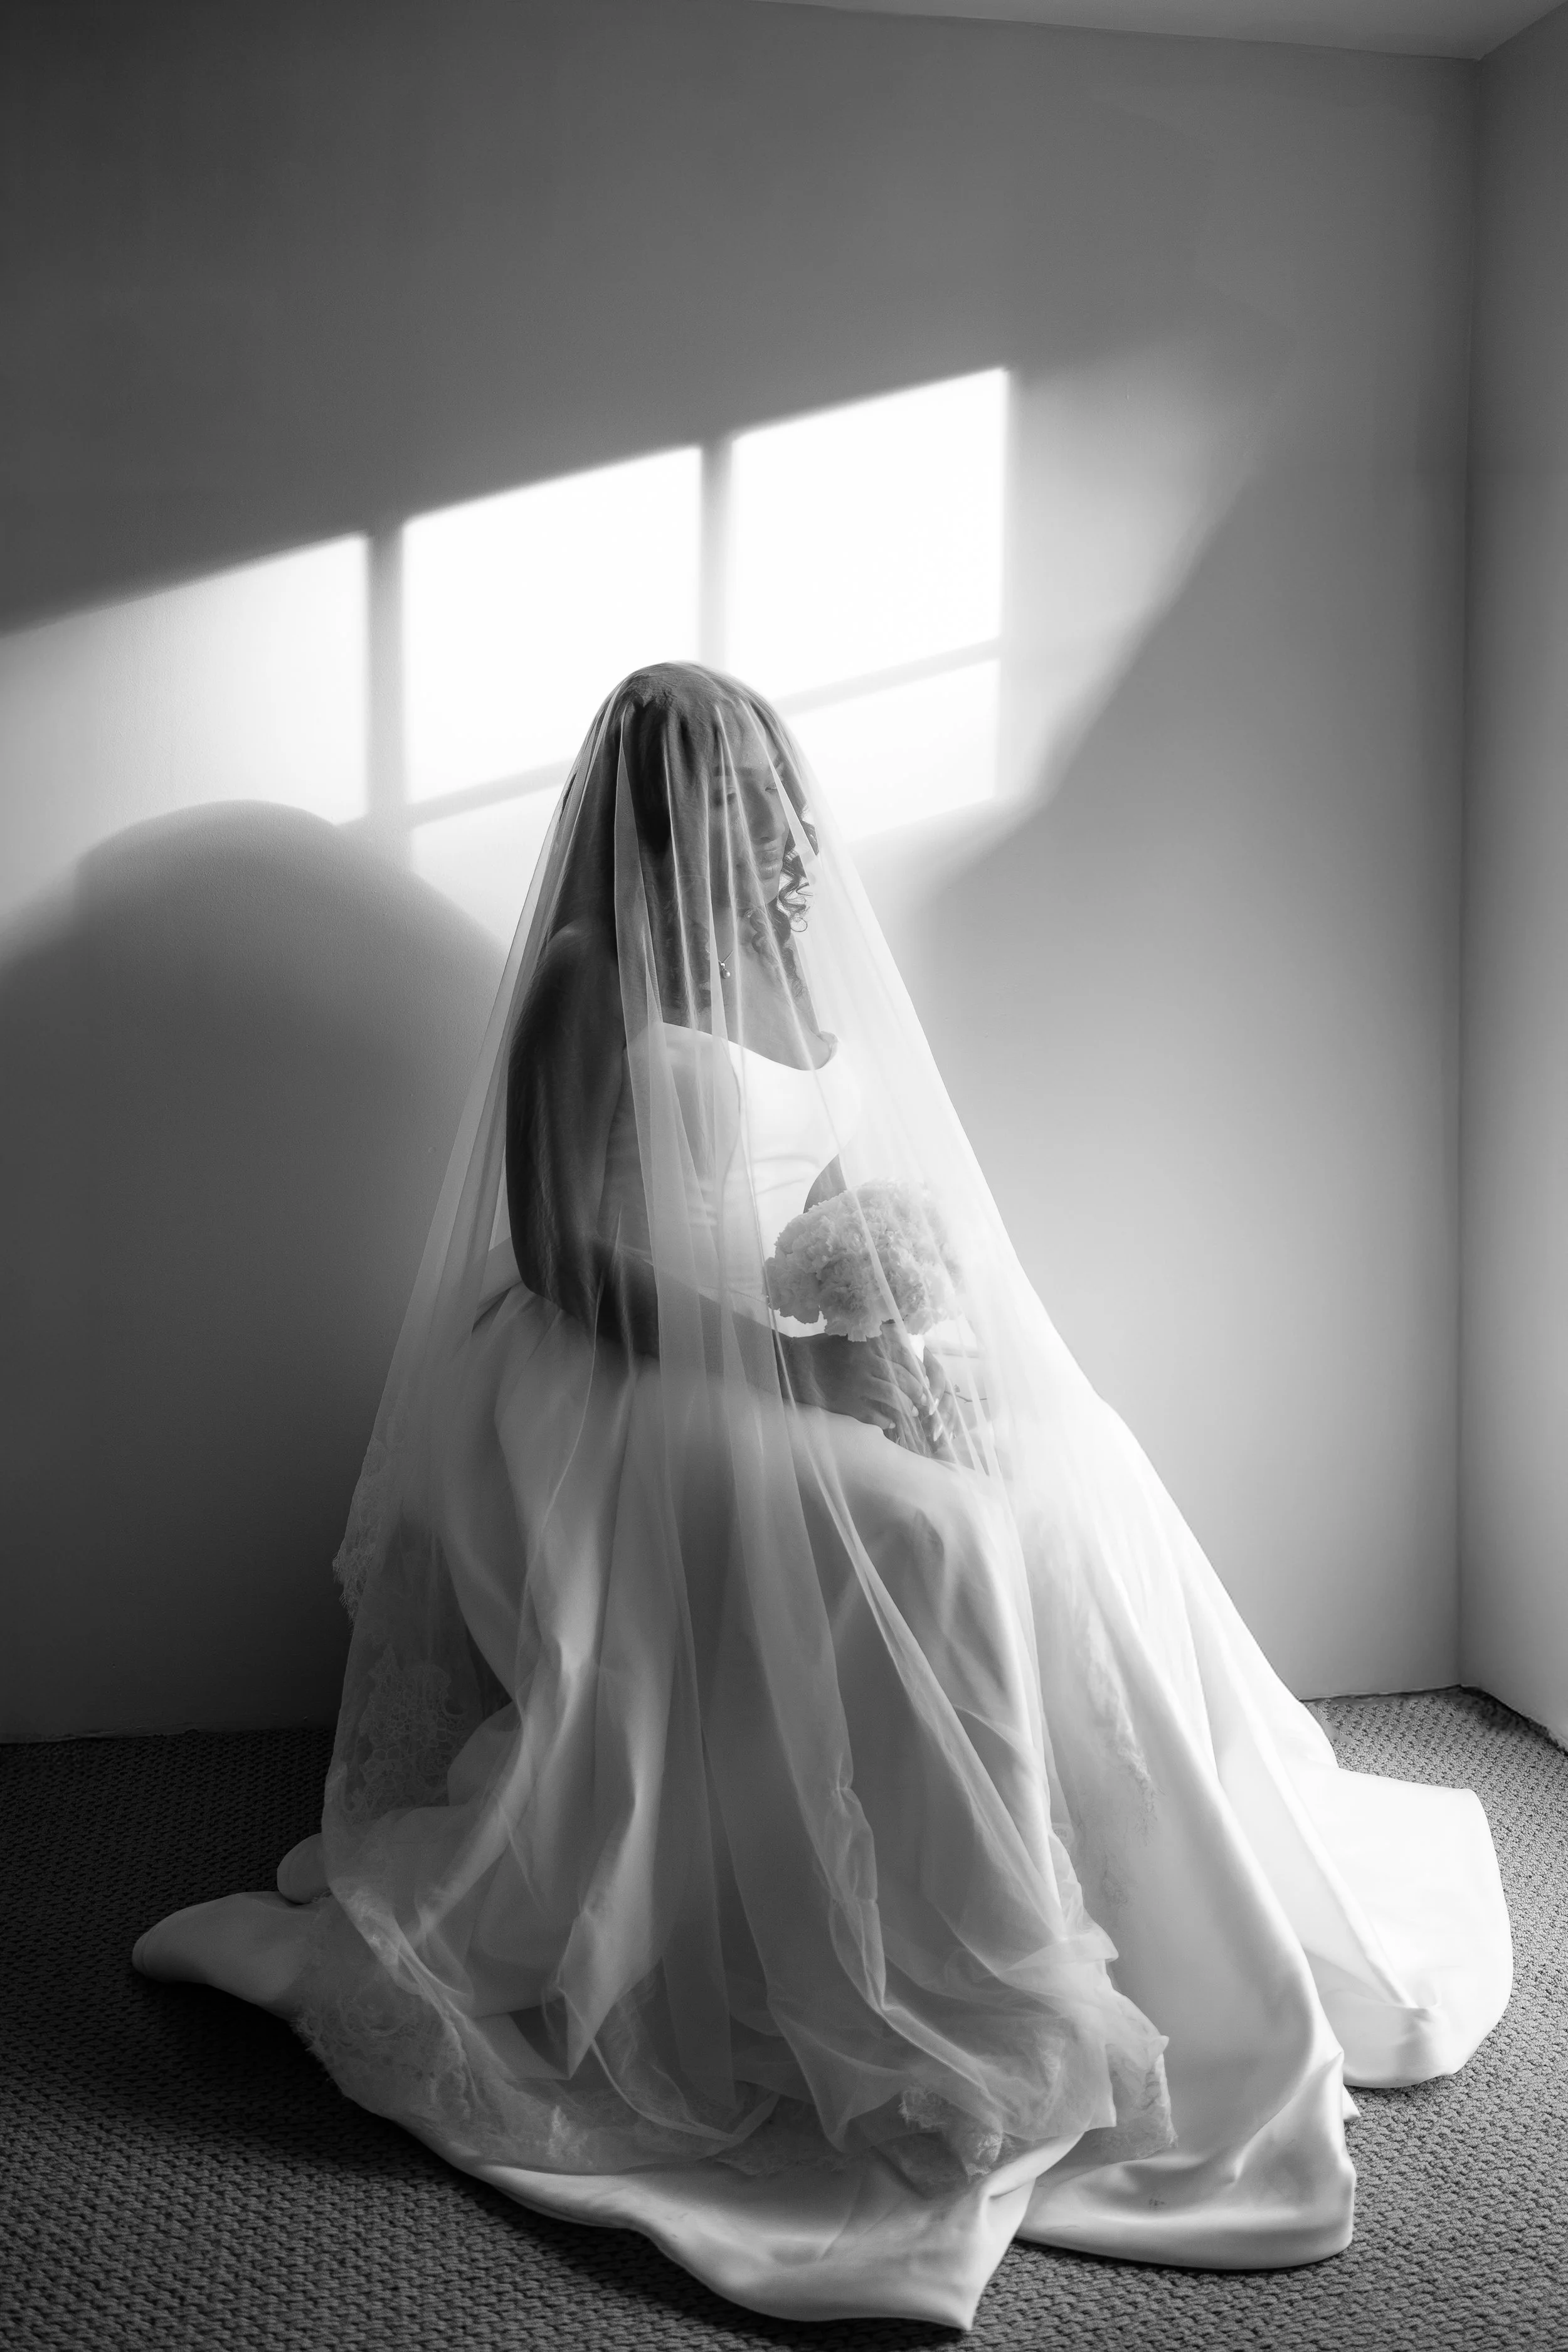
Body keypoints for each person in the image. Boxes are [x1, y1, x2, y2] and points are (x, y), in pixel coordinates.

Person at [135, 664, 1512, 2329]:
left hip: (774, 1335)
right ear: (651, 803)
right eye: (724, 791)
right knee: (923, 1540)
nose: (763, 816)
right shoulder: (586, 975)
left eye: (766, 785)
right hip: (619, 1360)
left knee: (1074, 1476)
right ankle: (968, 1987)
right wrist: (798, 1362)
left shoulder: (783, 955)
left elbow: (842, 1150)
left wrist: (873, 1293)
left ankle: (1150, 1889)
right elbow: (570, 1252)